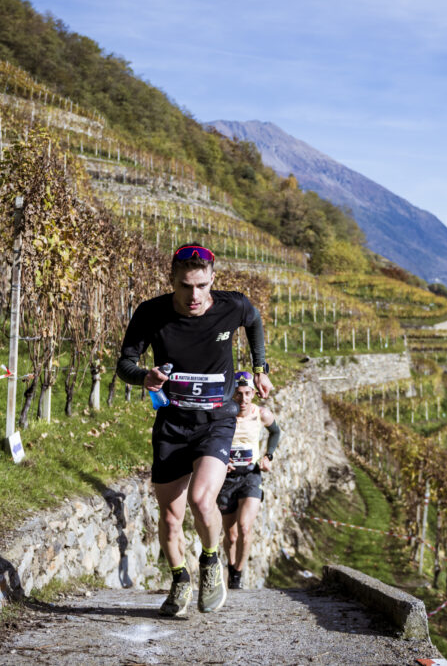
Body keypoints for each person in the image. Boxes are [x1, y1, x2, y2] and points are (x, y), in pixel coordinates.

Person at [116, 243, 272, 618]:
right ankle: (179, 580)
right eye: (185, 286)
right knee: (170, 517)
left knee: (202, 501)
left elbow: (254, 321)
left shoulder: (233, 306)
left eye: (202, 285)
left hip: (216, 421)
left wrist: (260, 366)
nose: (194, 296)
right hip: (171, 424)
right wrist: (144, 377)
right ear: (172, 280)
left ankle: (210, 562)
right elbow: (124, 364)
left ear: (212, 279)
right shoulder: (150, 313)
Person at [217, 372, 281, 589]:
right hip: (226, 479)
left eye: (247, 394)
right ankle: (231, 564)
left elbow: (275, 432)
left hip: (251, 475)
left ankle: (238, 573)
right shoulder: (223, 415)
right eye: (238, 394)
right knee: (231, 535)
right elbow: (209, 439)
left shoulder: (261, 413)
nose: (243, 400)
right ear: (231, 394)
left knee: (244, 527)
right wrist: (220, 459)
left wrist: (268, 455)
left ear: (254, 393)